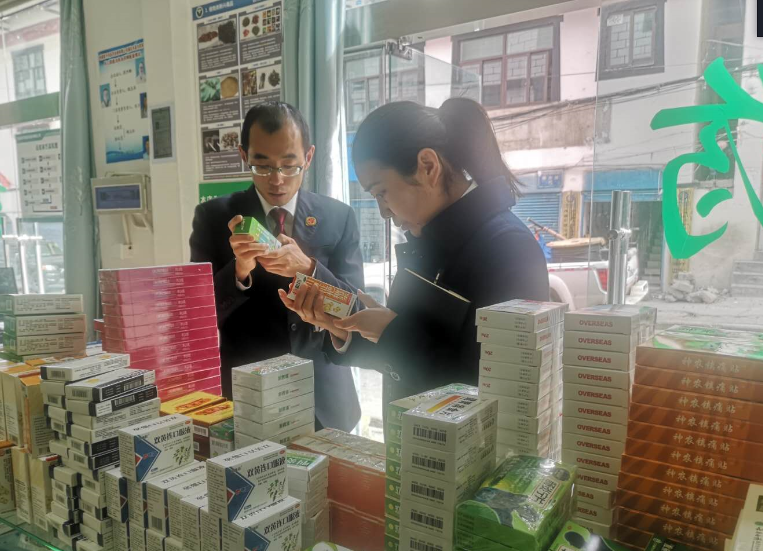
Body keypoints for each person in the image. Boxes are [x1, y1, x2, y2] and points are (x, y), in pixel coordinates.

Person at [282, 98, 549, 405]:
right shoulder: (430, 238)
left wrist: (390, 332)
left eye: (381, 192)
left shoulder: (509, 249)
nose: (383, 212)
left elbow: (494, 392)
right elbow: (411, 347)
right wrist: (344, 329)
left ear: (428, 166)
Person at [190, 102, 364, 431]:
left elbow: (356, 311)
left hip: (325, 400)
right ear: (244, 155)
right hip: (248, 399)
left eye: (289, 165)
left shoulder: (338, 217)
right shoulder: (213, 218)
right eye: (262, 165)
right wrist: (239, 272)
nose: (277, 179)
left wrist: (310, 269)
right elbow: (198, 316)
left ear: (308, 157)